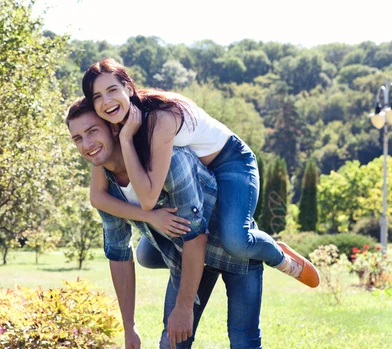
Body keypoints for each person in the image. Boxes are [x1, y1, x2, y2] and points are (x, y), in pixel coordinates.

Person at [66, 97, 267, 349]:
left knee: (244, 347)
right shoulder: (106, 186)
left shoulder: (167, 158)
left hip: (232, 251)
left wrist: (184, 306)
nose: (86, 144)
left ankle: (268, 246)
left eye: (93, 131)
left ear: (112, 128)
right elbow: (119, 254)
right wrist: (129, 326)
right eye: (78, 138)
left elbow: (196, 234)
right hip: (188, 257)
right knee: (172, 347)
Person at [82, 58, 320, 288]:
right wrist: (151, 217)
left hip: (230, 161)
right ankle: (210, 261)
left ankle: (278, 255)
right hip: (199, 171)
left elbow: (148, 199)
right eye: (97, 97)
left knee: (236, 241)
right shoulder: (117, 126)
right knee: (147, 255)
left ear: (128, 86)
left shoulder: (157, 117)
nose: (106, 101)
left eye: (112, 90)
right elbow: (98, 198)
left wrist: (125, 139)